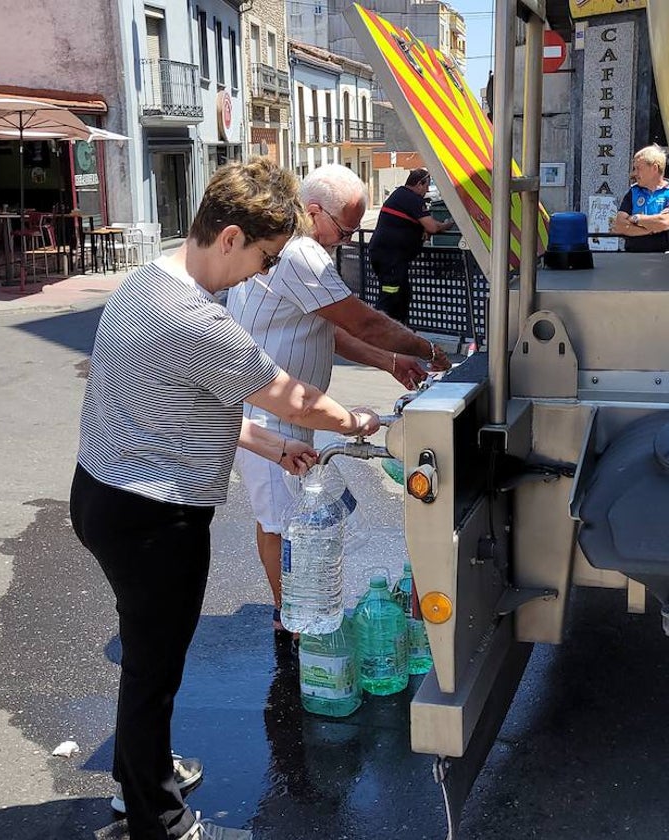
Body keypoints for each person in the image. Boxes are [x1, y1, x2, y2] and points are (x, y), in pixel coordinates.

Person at [69, 158, 381, 840]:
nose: (266, 275)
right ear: (233, 237)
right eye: (266, 258)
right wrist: (360, 421)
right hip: (154, 516)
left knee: (150, 663)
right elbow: (292, 397)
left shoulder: (146, 283)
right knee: (155, 670)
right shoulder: (196, 320)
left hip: (103, 496)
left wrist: (273, 448)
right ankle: (158, 817)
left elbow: (191, 401)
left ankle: (142, 774)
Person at [226, 163, 452, 636]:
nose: (346, 241)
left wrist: (390, 361)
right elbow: (361, 321)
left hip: (283, 408)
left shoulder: (289, 247)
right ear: (313, 212)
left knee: (286, 518)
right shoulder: (300, 252)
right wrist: (428, 350)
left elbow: (325, 328)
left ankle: (294, 607)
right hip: (271, 412)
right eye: (345, 229)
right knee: (280, 522)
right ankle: (291, 617)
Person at [367, 167, 455, 324]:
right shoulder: (412, 199)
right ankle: (379, 331)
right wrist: (447, 225)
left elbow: (415, 223)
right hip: (391, 257)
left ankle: (399, 330)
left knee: (402, 295)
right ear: (420, 184)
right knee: (390, 296)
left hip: (390, 255)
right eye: (426, 186)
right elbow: (432, 227)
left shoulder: (400, 195)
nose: (427, 190)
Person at [609, 144, 669, 253]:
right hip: (633, 257)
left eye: (638, 168)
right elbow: (619, 225)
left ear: (654, 168)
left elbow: (664, 222)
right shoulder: (633, 191)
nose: (634, 173)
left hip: (664, 259)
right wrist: (651, 229)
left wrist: (635, 218)